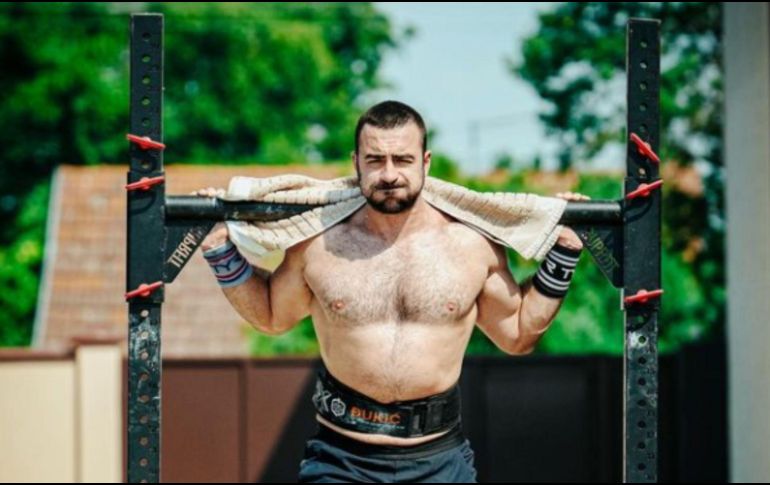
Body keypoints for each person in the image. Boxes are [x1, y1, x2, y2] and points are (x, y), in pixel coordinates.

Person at [195, 100, 589, 483]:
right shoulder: (317, 244)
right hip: (341, 460)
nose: (388, 174)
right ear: (356, 164)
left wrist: (563, 255)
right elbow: (270, 316)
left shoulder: (472, 246)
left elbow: (518, 334)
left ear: (426, 162)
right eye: (374, 160)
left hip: (438, 461)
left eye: (402, 160)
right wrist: (221, 252)